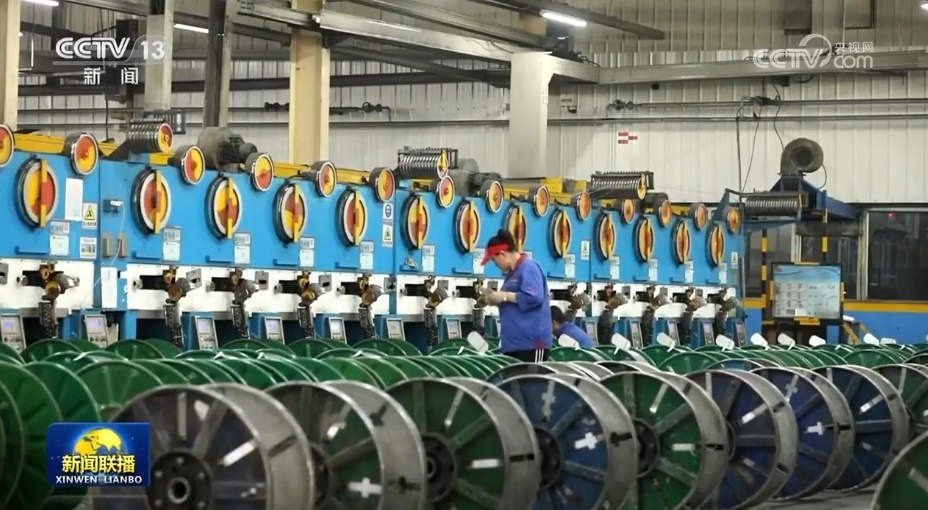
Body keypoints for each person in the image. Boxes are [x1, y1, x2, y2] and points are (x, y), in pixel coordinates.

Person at [481, 229, 552, 362]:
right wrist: (496, 299)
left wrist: (505, 296)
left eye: (495, 261)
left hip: (531, 345)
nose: (496, 265)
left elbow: (534, 297)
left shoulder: (529, 267)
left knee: (531, 376)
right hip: (513, 345)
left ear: (502, 254)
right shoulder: (513, 273)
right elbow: (515, 302)